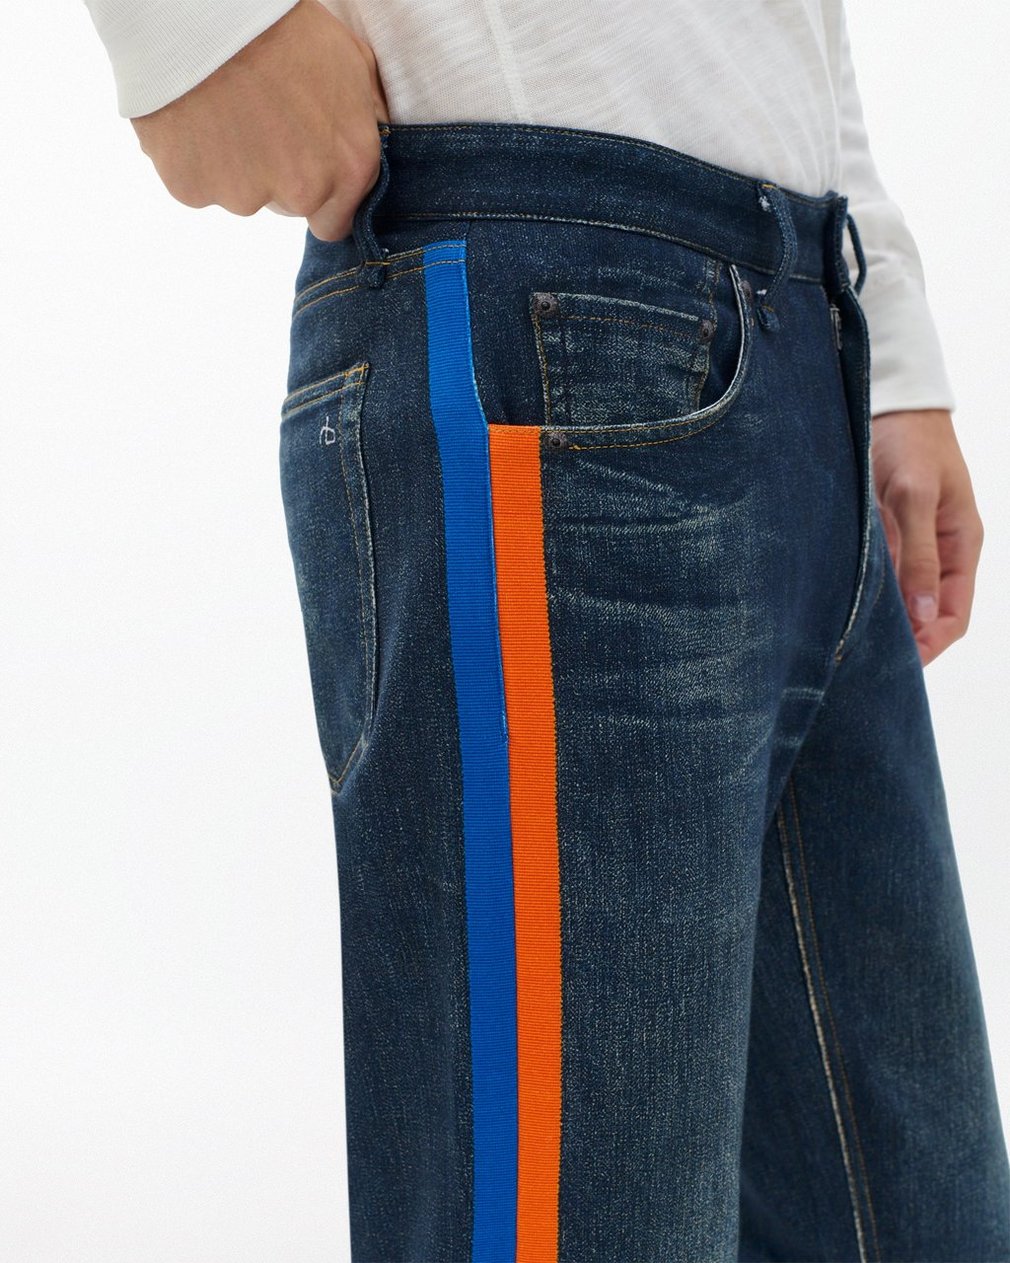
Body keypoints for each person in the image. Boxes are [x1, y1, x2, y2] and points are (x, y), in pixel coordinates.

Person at [83, 2, 1010, 1259]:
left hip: (807, 318)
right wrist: (194, 28)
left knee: (926, 1222)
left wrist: (884, 336)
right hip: (547, 299)